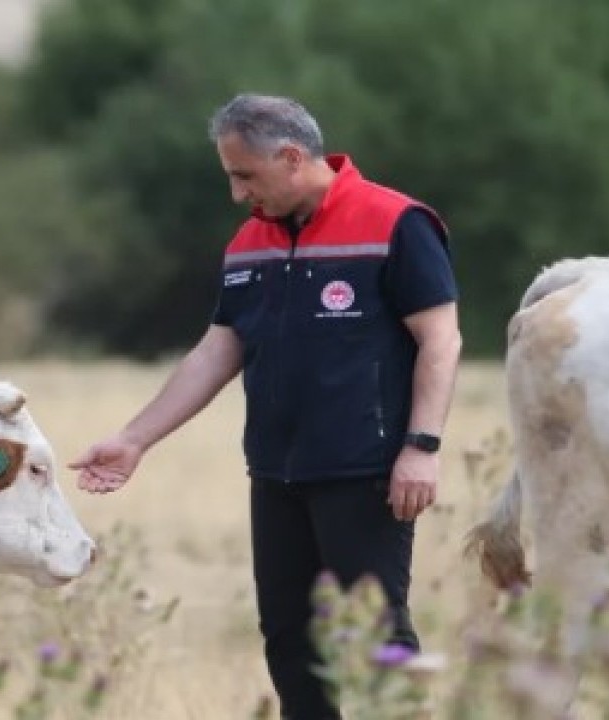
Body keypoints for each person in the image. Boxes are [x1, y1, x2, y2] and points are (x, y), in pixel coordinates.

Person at [71, 93, 461, 720]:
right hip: (277, 477)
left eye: (244, 175)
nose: (237, 194)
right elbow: (216, 352)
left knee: (377, 645)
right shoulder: (249, 242)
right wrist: (135, 438)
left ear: (289, 157)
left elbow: (440, 340)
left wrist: (421, 447)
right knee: (289, 644)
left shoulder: (396, 223)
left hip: (365, 475)